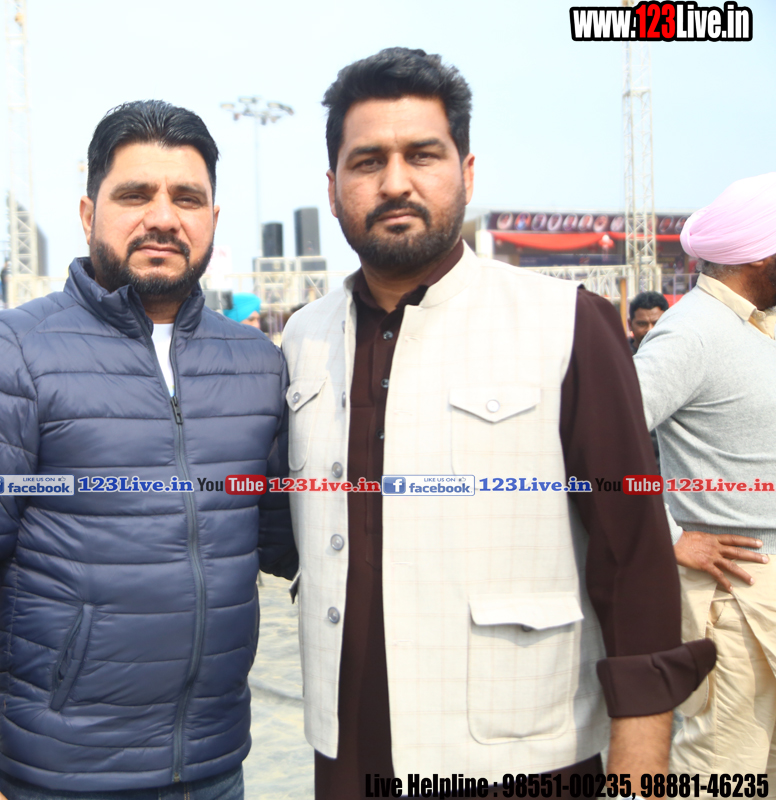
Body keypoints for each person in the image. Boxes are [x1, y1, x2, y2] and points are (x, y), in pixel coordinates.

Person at [280, 48, 713, 791]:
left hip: (521, 755)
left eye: (422, 155)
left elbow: (632, 554)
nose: (395, 182)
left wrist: (640, 756)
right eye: (367, 161)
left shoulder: (565, 323)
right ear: (332, 185)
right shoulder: (302, 337)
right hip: (348, 753)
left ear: (467, 171)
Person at [0, 100, 296, 800]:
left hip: (212, 767)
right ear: (88, 213)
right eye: (135, 194)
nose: (163, 217)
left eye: (187, 198)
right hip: (55, 773)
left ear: (212, 218)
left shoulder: (258, 363)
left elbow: (286, 541)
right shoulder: (11, 353)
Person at [634, 172, 776, 776]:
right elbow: (592, 443)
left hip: (764, 589)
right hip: (733, 596)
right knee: (724, 771)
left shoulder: (755, 326)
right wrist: (669, 537)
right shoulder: (691, 332)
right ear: (763, 255)